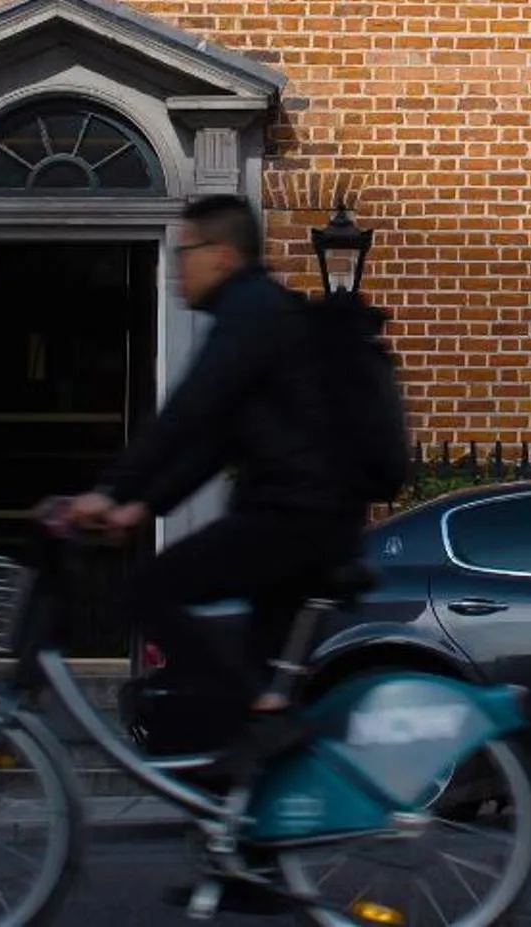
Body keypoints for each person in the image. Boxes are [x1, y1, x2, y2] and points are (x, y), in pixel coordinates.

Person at [56, 193, 367, 789]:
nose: (178, 268)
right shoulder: (255, 312)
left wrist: (110, 490)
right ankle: (255, 851)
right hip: (306, 518)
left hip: (295, 519)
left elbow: (190, 411)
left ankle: (266, 717)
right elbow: (216, 441)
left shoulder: (252, 312)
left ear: (221, 255)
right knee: (246, 706)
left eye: (185, 253)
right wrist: (144, 505)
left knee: (153, 588)